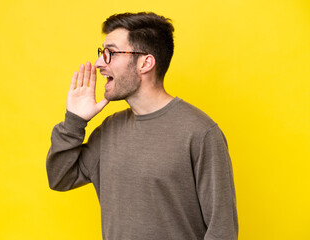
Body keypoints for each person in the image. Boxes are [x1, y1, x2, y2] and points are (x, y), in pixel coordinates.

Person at [46, 12, 238, 240]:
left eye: (111, 53)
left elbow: (222, 230)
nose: (99, 63)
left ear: (145, 63)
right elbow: (60, 178)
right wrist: (75, 121)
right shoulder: (110, 128)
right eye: (102, 53)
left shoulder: (200, 133)